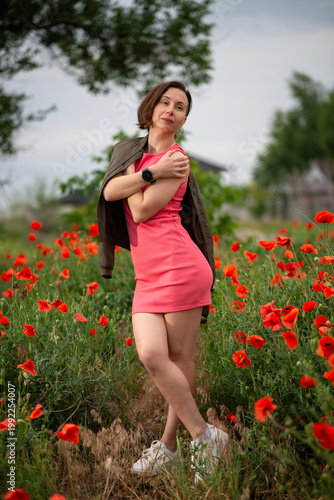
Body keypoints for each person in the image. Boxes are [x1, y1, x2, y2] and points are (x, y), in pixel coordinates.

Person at [98, 81, 228, 482]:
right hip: (147, 275)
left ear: (184, 120)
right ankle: (207, 436)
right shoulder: (131, 152)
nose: (171, 109)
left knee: (178, 359)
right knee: (152, 355)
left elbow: (139, 209)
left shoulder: (179, 159)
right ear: (151, 107)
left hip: (180, 267)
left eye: (181, 107)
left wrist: (133, 184)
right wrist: (149, 173)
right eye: (165, 102)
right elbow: (108, 190)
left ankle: (172, 447)